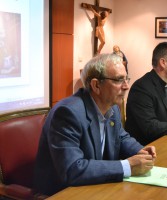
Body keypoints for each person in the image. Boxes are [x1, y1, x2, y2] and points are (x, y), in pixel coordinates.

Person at [34, 53, 156, 196]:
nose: (126, 86)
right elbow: (72, 169)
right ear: (96, 85)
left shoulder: (113, 107)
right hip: (62, 192)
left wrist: (139, 151)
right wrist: (127, 166)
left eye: (126, 78)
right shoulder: (67, 113)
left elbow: (121, 137)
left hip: (96, 186)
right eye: (118, 80)